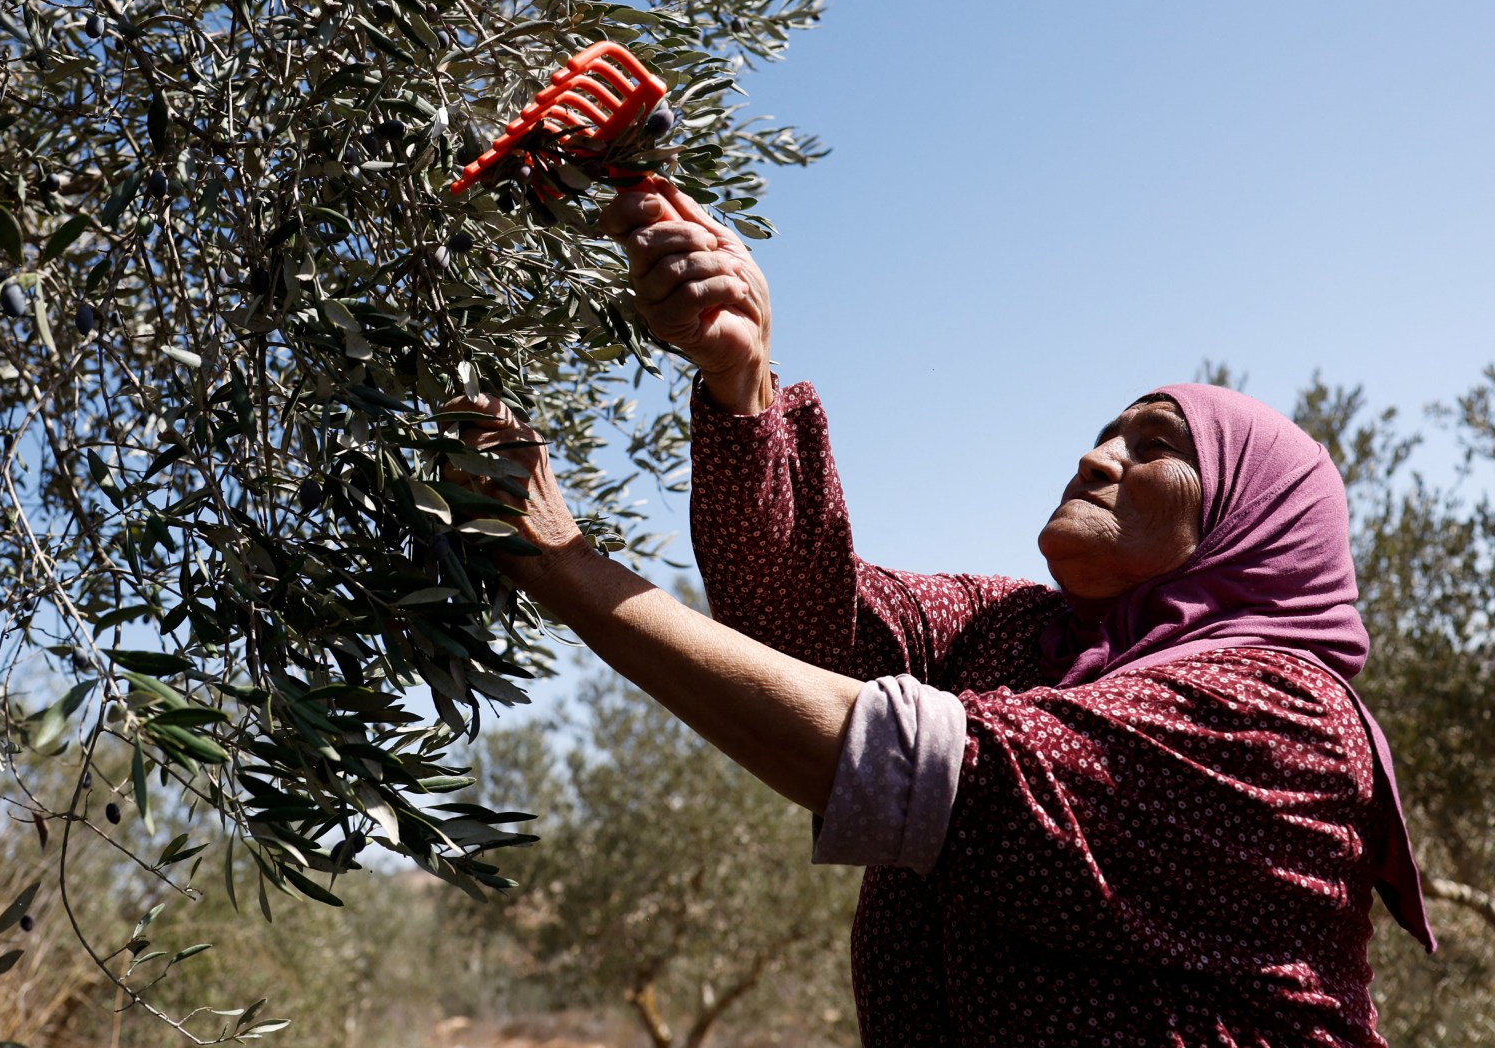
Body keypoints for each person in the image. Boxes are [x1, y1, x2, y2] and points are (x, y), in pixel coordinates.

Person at [457, 184, 1434, 1048]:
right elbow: (797, 626)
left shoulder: (1278, 716)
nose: (1095, 457)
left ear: (1254, 525)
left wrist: (564, 566)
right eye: (1105, 433)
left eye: (1156, 445)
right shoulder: (1014, 633)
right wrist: (742, 378)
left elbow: (904, 769)